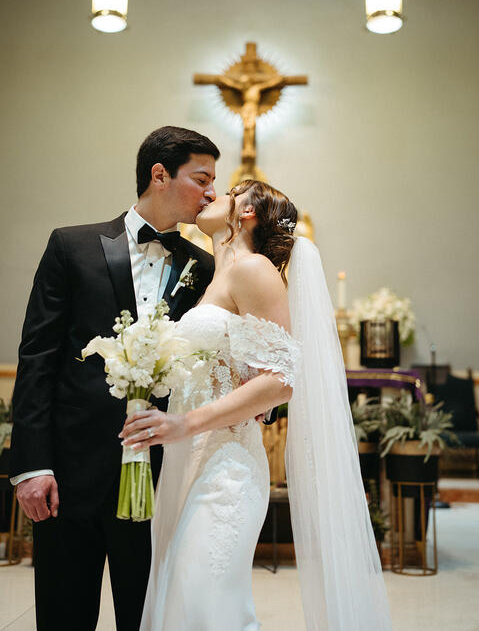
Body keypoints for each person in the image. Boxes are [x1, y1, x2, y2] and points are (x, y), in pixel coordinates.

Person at [122, 180, 392, 631]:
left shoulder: (254, 269)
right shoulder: (215, 278)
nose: (212, 195)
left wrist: (184, 423)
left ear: (246, 213)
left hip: (224, 468)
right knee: (180, 605)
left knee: (204, 605)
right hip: (185, 462)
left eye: (227, 192)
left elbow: (281, 381)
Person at [10, 126, 220, 631]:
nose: (212, 193)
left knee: (147, 618)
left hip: (161, 478)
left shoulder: (205, 268)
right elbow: (37, 357)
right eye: (202, 179)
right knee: (63, 614)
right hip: (68, 474)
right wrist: (32, 465)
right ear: (159, 174)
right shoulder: (71, 246)